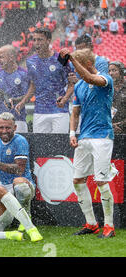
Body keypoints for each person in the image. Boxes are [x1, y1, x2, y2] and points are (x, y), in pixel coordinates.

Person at [61, 48, 118, 238]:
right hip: (84, 137)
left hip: (102, 136)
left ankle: (109, 226)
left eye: (76, 64)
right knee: (78, 180)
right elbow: (75, 112)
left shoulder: (104, 79)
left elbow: (90, 78)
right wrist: (72, 133)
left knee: (101, 180)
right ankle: (91, 223)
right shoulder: (78, 86)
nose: (73, 69)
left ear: (86, 64)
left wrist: (72, 59)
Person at [0, 112, 36, 231]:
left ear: (14, 128)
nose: (4, 131)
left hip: (24, 185)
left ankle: (26, 216)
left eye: (8, 128)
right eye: (1, 127)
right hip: (4, 186)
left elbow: (19, 170)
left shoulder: (20, 141)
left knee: (19, 183)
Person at [15, 28, 73, 134]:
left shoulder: (61, 58)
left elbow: (71, 82)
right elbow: (33, 85)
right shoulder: (30, 61)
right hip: (40, 111)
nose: (37, 43)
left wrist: (65, 99)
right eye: (34, 40)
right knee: (41, 146)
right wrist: (23, 102)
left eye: (40, 40)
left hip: (59, 110)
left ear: (48, 40)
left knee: (58, 145)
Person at [0, 45, 30, 133]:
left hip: (18, 119)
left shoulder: (24, 74)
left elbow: (28, 96)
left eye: (1, 57)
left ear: (11, 57)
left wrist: (14, 100)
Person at [109, 61, 126, 134]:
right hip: (109, 129)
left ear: (122, 72)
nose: (111, 73)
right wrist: (111, 125)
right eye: (109, 71)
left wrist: (120, 125)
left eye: (114, 70)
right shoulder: (107, 88)